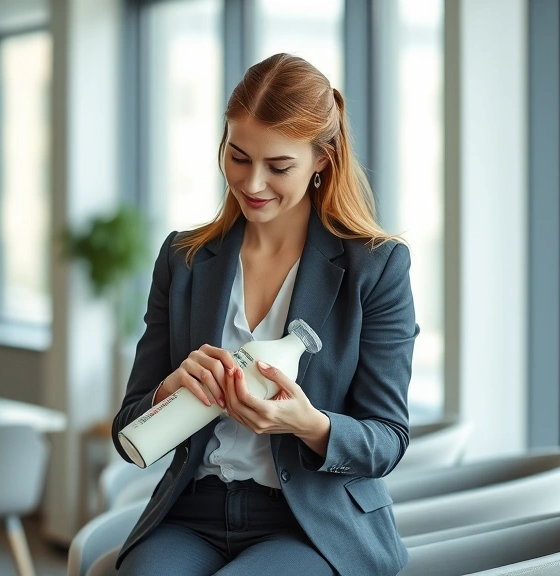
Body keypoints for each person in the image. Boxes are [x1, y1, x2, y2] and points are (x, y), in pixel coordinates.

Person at [111, 53, 419, 576]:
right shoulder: (183, 259)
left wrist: (309, 425)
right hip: (193, 513)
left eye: (278, 167)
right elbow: (127, 429)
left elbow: (388, 438)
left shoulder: (375, 265)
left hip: (311, 523)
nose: (252, 184)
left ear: (322, 158)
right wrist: (167, 393)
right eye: (237, 156)